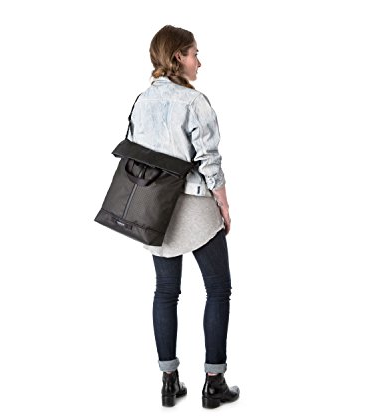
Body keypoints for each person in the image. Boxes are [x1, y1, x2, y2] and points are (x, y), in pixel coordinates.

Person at [127, 25, 240, 409]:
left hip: (154, 209)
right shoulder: (194, 102)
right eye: (194, 54)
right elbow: (209, 159)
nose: (199, 62)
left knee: (165, 292)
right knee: (218, 289)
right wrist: (223, 204)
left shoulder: (142, 101)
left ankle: (168, 381)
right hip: (194, 205)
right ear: (178, 57)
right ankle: (214, 382)